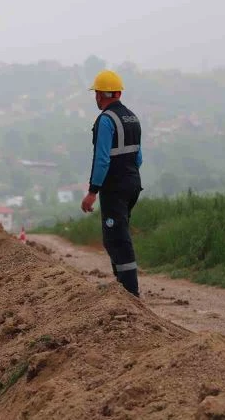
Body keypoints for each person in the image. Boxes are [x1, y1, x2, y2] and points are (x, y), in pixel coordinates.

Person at [80, 70, 143, 297]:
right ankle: (122, 288)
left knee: (116, 239)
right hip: (132, 184)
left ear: (100, 95)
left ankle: (129, 293)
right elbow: (139, 158)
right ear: (118, 93)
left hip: (114, 188)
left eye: (96, 93)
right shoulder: (132, 118)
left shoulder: (106, 120)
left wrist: (92, 191)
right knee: (119, 234)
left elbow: (102, 159)